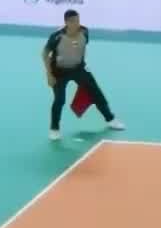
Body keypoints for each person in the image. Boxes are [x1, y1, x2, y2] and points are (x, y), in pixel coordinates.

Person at [43, 9, 126, 141]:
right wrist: (49, 75)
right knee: (59, 100)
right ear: (66, 22)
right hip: (59, 71)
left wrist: (82, 65)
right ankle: (54, 129)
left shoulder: (84, 32)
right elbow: (44, 54)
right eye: (73, 21)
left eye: (78, 20)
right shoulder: (56, 36)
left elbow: (82, 47)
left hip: (78, 68)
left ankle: (111, 119)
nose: (77, 24)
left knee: (96, 92)